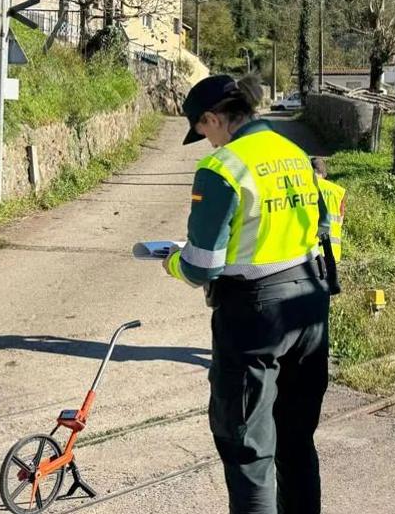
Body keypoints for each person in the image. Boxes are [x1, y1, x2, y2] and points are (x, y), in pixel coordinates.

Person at [163, 74, 336, 513]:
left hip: (255, 314)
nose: (205, 141)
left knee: (248, 450)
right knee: (296, 441)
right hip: (309, 303)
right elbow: (319, 224)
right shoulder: (293, 153)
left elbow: (202, 266)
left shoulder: (223, 168)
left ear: (212, 118)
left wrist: (170, 260)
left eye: (201, 131)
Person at [310, 157, 346, 261]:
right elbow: (341, 220)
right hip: (333, 251)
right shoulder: (339, 192)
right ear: (324, 173)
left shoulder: (307, 187)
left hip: (312, 251)